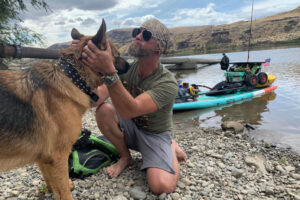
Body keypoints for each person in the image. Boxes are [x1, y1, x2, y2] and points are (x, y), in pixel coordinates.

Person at [78, 18, 187, 194]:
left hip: (155, 136)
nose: (137, 36)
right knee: (104, 110)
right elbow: (97, 99)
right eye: (137, 31)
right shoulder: (128, 69)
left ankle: (171, 146)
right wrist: (84, 66)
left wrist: (109, 71)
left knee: (161, 187)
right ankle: (125, 157)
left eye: (146, 34)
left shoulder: (167, 83)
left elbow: (131, 110)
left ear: (159, 48)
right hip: (130, 128)